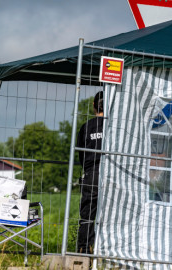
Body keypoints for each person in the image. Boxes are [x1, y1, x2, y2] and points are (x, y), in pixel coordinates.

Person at [76, 91, 104, 254]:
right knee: (110, 212)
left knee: (87, 214)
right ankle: (106, 250)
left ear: (94, 105)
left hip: (91, 173)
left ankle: (84, 248)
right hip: (110, 173)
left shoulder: (86, 127)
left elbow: (81, 154)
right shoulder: (113, 127)